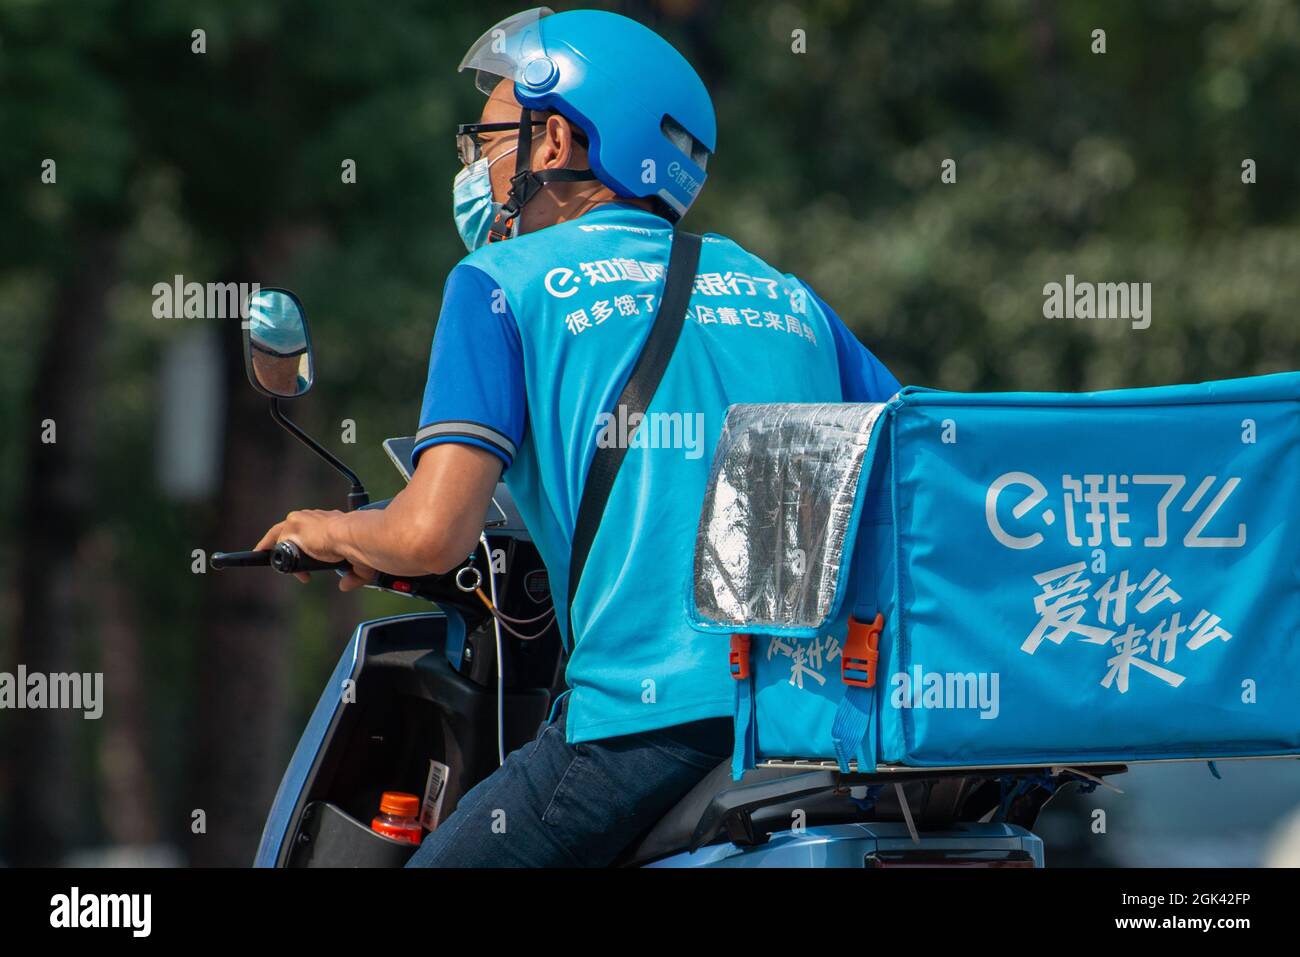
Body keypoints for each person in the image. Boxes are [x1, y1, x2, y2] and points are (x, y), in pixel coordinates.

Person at [254, 7, 900, 867]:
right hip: (818, 724)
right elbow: (921, 453)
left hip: (649, 726)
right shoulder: (787, 295)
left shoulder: (499, 285)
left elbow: (430, 532)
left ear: (553, 139)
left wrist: (330, 530)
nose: (475, 167)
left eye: (485, 141)